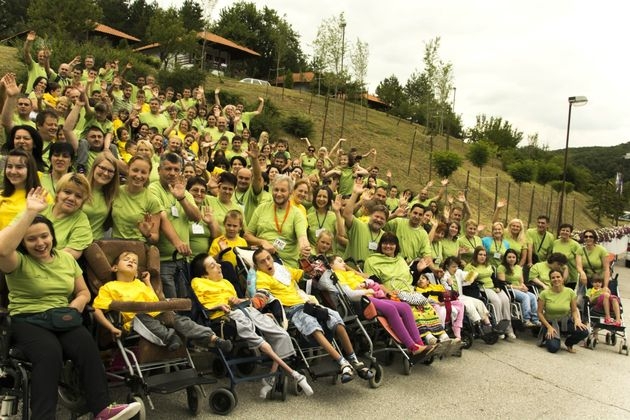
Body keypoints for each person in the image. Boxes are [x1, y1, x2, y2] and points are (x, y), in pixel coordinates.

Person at [0, 188, 141, 420]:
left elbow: (84, 291)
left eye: (44, 236)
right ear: (23, 242)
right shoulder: (17, 261)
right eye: (31, 238)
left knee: (86, 345)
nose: (40, 243)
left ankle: (102, 409)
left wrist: (77, 303)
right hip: (28, 319)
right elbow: (3, 248)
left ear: (52, 236)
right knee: (49, 352)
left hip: (61, 316)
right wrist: (28, 213)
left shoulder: (66, 259)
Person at [190, 254, 313, 399]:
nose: (219, 266)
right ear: (204, 275)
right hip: (226, 316)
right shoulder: (198, 282)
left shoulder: (226, 283)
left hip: (245, 310)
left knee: (282, 334)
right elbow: (203, 305)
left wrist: (240, 301)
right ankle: (295, 374)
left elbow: (242, 301)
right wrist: (219, 305)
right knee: (263, 343)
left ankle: (270, 378)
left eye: (217, 263)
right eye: (213, 266)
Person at [253, 248, 374, 383]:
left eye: (268, 258)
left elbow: (302, 275)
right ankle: (343, 363)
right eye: (262, 261)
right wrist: (258, 300)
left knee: (334, 318)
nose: (268, 262)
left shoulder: (281, 268)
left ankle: (354, 361)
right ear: (257, 266)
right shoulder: (261, 277)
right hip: (291, 309)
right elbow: (262, 293)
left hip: (306, 303)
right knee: (313, 326)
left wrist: (310, 270)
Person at [92, 251, 233, 353]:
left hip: (157, 315)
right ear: (115, 268)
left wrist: (147, 282)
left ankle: (213, 338)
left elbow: (154, 302)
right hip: (134, 321)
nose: (131, 262)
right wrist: (111, 328)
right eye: (126, 259)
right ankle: (170, 337)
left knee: (178, 319)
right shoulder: (109, 287)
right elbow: (97, 310)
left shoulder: (140, 284)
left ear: (136, 272)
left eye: (134, 262)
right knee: (141, 316)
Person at [329, 256, 435, 356]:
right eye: (339, 261)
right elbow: (349, 294)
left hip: (372, 295)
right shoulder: (335, 276)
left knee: (405, 307)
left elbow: (370, 280)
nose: (344, 263)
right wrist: (366, 290)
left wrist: (366, 284)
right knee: (391, 309)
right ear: (330, 265)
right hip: (360, 300)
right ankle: (413, 348)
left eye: (343, 261)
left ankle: (420, 344)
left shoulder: (351, 274)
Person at [363, 233, 452, 346]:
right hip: (391, 294)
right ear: (380, 245)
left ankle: (441, 334)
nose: (388, 246)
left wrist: (418, 271)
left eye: (392, 244)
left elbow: (409, 281)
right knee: (414, 309)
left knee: (426, 307)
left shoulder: (400, 260)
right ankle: (427, 336)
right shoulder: (372, 260)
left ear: (396, 246)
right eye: (385, 243)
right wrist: (389, 293)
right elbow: (375, 282)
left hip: (409, 291)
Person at [245, 174, 310, 268]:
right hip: (261, 260)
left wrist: (304, 247)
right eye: (276, 190)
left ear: (290, 192)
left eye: (283, 190)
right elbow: (247, 235)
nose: (278, 194)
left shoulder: (297, 214)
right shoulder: (262, 208)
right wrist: (262, 242)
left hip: (285, 264)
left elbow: (302, 237)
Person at [464, 246, 515, 340]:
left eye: (484, 255)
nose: (482, 257)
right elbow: (467, 281)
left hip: (493, 287)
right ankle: (499, 328)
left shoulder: (488, 265)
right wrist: (473, 277)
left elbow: (493, 277)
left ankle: (508, 328)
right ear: (476, 255)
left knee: (506, 300)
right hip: (483, 288)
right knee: (497, 301)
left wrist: (498, 287)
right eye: (480, 254)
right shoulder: (470, 266)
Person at [41, 173, 93, 260]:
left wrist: (42, 261)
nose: (72, 198)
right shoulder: (40, 209)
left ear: (82, 201)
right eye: (67, 192)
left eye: (78, 196)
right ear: (57, 193)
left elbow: (72, 252)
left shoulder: (81, 220)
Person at [537, 269, 589, 353]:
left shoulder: (570, 292)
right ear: (550, 280)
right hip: (551, 323)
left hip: (566, 322)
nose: (556, 279)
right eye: (553, 278)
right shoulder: (544, 293)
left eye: (558, 277)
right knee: (553, 348)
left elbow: (574, 310)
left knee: (584, 331)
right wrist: (549, 327)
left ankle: (569, 343)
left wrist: (577, 320)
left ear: (562, 279)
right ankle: (548, 337)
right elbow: (539, 313)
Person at [440, 256, 494, 335]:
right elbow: (448, 293)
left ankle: (488, 325)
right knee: (469, 304)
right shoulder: (444, 277)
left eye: (457, 266)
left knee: (479, 302)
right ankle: (478, 326)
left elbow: (473, 273)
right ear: (447, 266)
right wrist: (449, 284)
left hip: (461, 296)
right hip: (453, 299)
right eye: (453, 267)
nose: (456, 268)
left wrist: (471, 278)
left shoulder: (458, 272)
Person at [0, 149, 51, 230]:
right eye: (9, 166)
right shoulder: (1, 194)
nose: (13, 171)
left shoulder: (42, 196)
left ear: (30, 170)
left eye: (19, 167)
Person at [497, 249, 540, 328]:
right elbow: (502, 284)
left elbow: (521, 282)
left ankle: (535, 319)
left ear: (516, 258)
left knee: (533, 296)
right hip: (509, 289)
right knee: (525, 297)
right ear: (505, 258)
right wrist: (518, 288)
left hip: (519, 288)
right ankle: (526, 319)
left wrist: (524, 287)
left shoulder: (518, 268)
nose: (511, 259)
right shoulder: (501, 267)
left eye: (513, 257)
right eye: (509, 257)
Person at [83, 152, 120, 240]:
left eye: (110, 171)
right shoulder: (80, 188)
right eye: (102, 168)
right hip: (75, 242)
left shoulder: (111, 195)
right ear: (94, 167)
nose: (106, 173)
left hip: (97, 243)